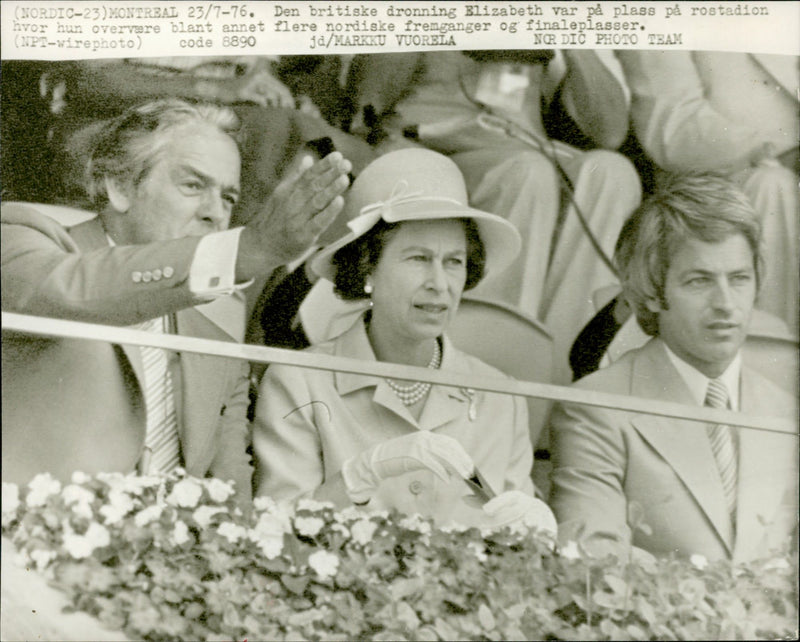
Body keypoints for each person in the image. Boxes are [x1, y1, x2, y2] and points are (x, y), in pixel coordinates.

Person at [1, 98, 352, 507]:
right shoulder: (22, 240)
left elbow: (230, 498)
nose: (214, 215)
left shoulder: (220, 345)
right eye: (193, 185)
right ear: (120, 186)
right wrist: (248, 250)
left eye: (228, 198)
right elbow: (70, 290)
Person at [253, 148, 556, 533]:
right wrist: (361, 475)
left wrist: (536, 532)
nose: (439, 284)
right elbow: (274, 536)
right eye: (418, 258)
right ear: (368, 269)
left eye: (454, 262)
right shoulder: (299, 381)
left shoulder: (500, 397)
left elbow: (515, 541)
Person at [548, 173, 798, 563]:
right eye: (699, 281)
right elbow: (591, 563)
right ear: (651, 292)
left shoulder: (787, 412)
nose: (725, 303)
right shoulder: (594, 408)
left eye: (739, 279)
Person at [354, 50, 642, 385]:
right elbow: (365, 118)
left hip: (526, 150)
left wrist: (570, 35)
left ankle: (564, 377)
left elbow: (609, 133)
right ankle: (495, 368)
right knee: (528, 174)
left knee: (613, 173)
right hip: (437, 156)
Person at [617, 50, 799, 331]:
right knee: (772, 185)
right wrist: (781, 151)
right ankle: (768, 354)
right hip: (732, 172)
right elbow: (671, 128)